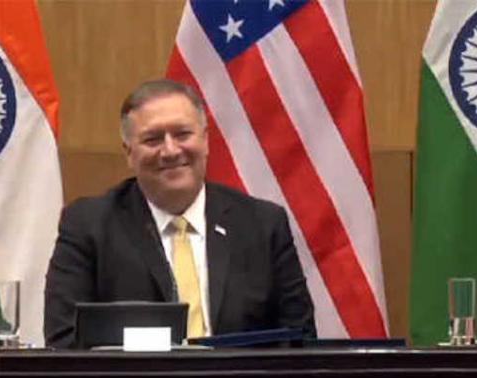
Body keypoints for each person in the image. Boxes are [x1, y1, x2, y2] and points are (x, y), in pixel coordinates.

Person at [44, 79, 316, 348]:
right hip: (135, 377)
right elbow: (65, 341)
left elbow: (298, 341)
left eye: (182, 134)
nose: (170, 150)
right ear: (129, 153)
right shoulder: (89, 226)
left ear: (205, 140)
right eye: (152, 139)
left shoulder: (263, 224)